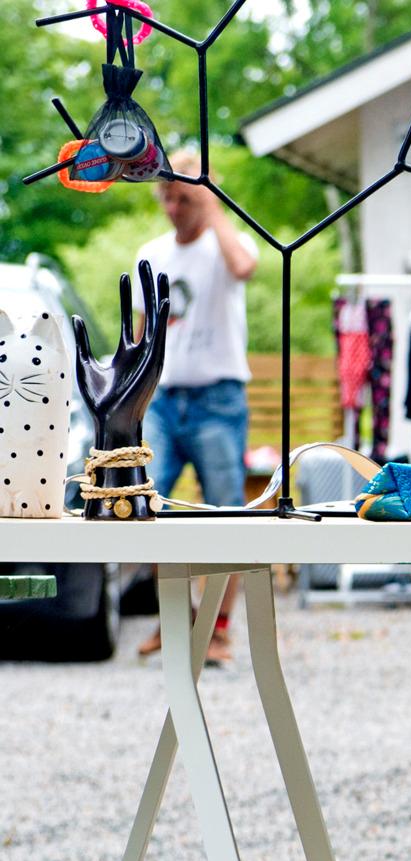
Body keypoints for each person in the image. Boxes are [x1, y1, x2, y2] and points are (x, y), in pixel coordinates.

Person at [136, 151, 255, 665]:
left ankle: (219, 627)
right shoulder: (151, 253)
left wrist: (214, 205)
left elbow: (245, 267)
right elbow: (139, 336)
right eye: (168, 196)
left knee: (226, 515)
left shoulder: (225, 245)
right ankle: (177, 621)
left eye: (185, 197)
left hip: (218, 399)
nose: (175, 207)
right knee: (148, 506)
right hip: (162, 400)